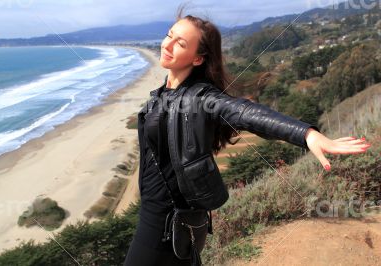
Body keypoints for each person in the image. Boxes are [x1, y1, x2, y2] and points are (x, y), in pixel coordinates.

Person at [123, 8, 371, 266]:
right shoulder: (164, 92)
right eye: (169, 35)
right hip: (161, 215)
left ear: (197, 59)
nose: (168, 45)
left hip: (163, 221)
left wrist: (306, 133)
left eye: (181, 43)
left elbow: (244, 112)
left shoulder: (201, 98)